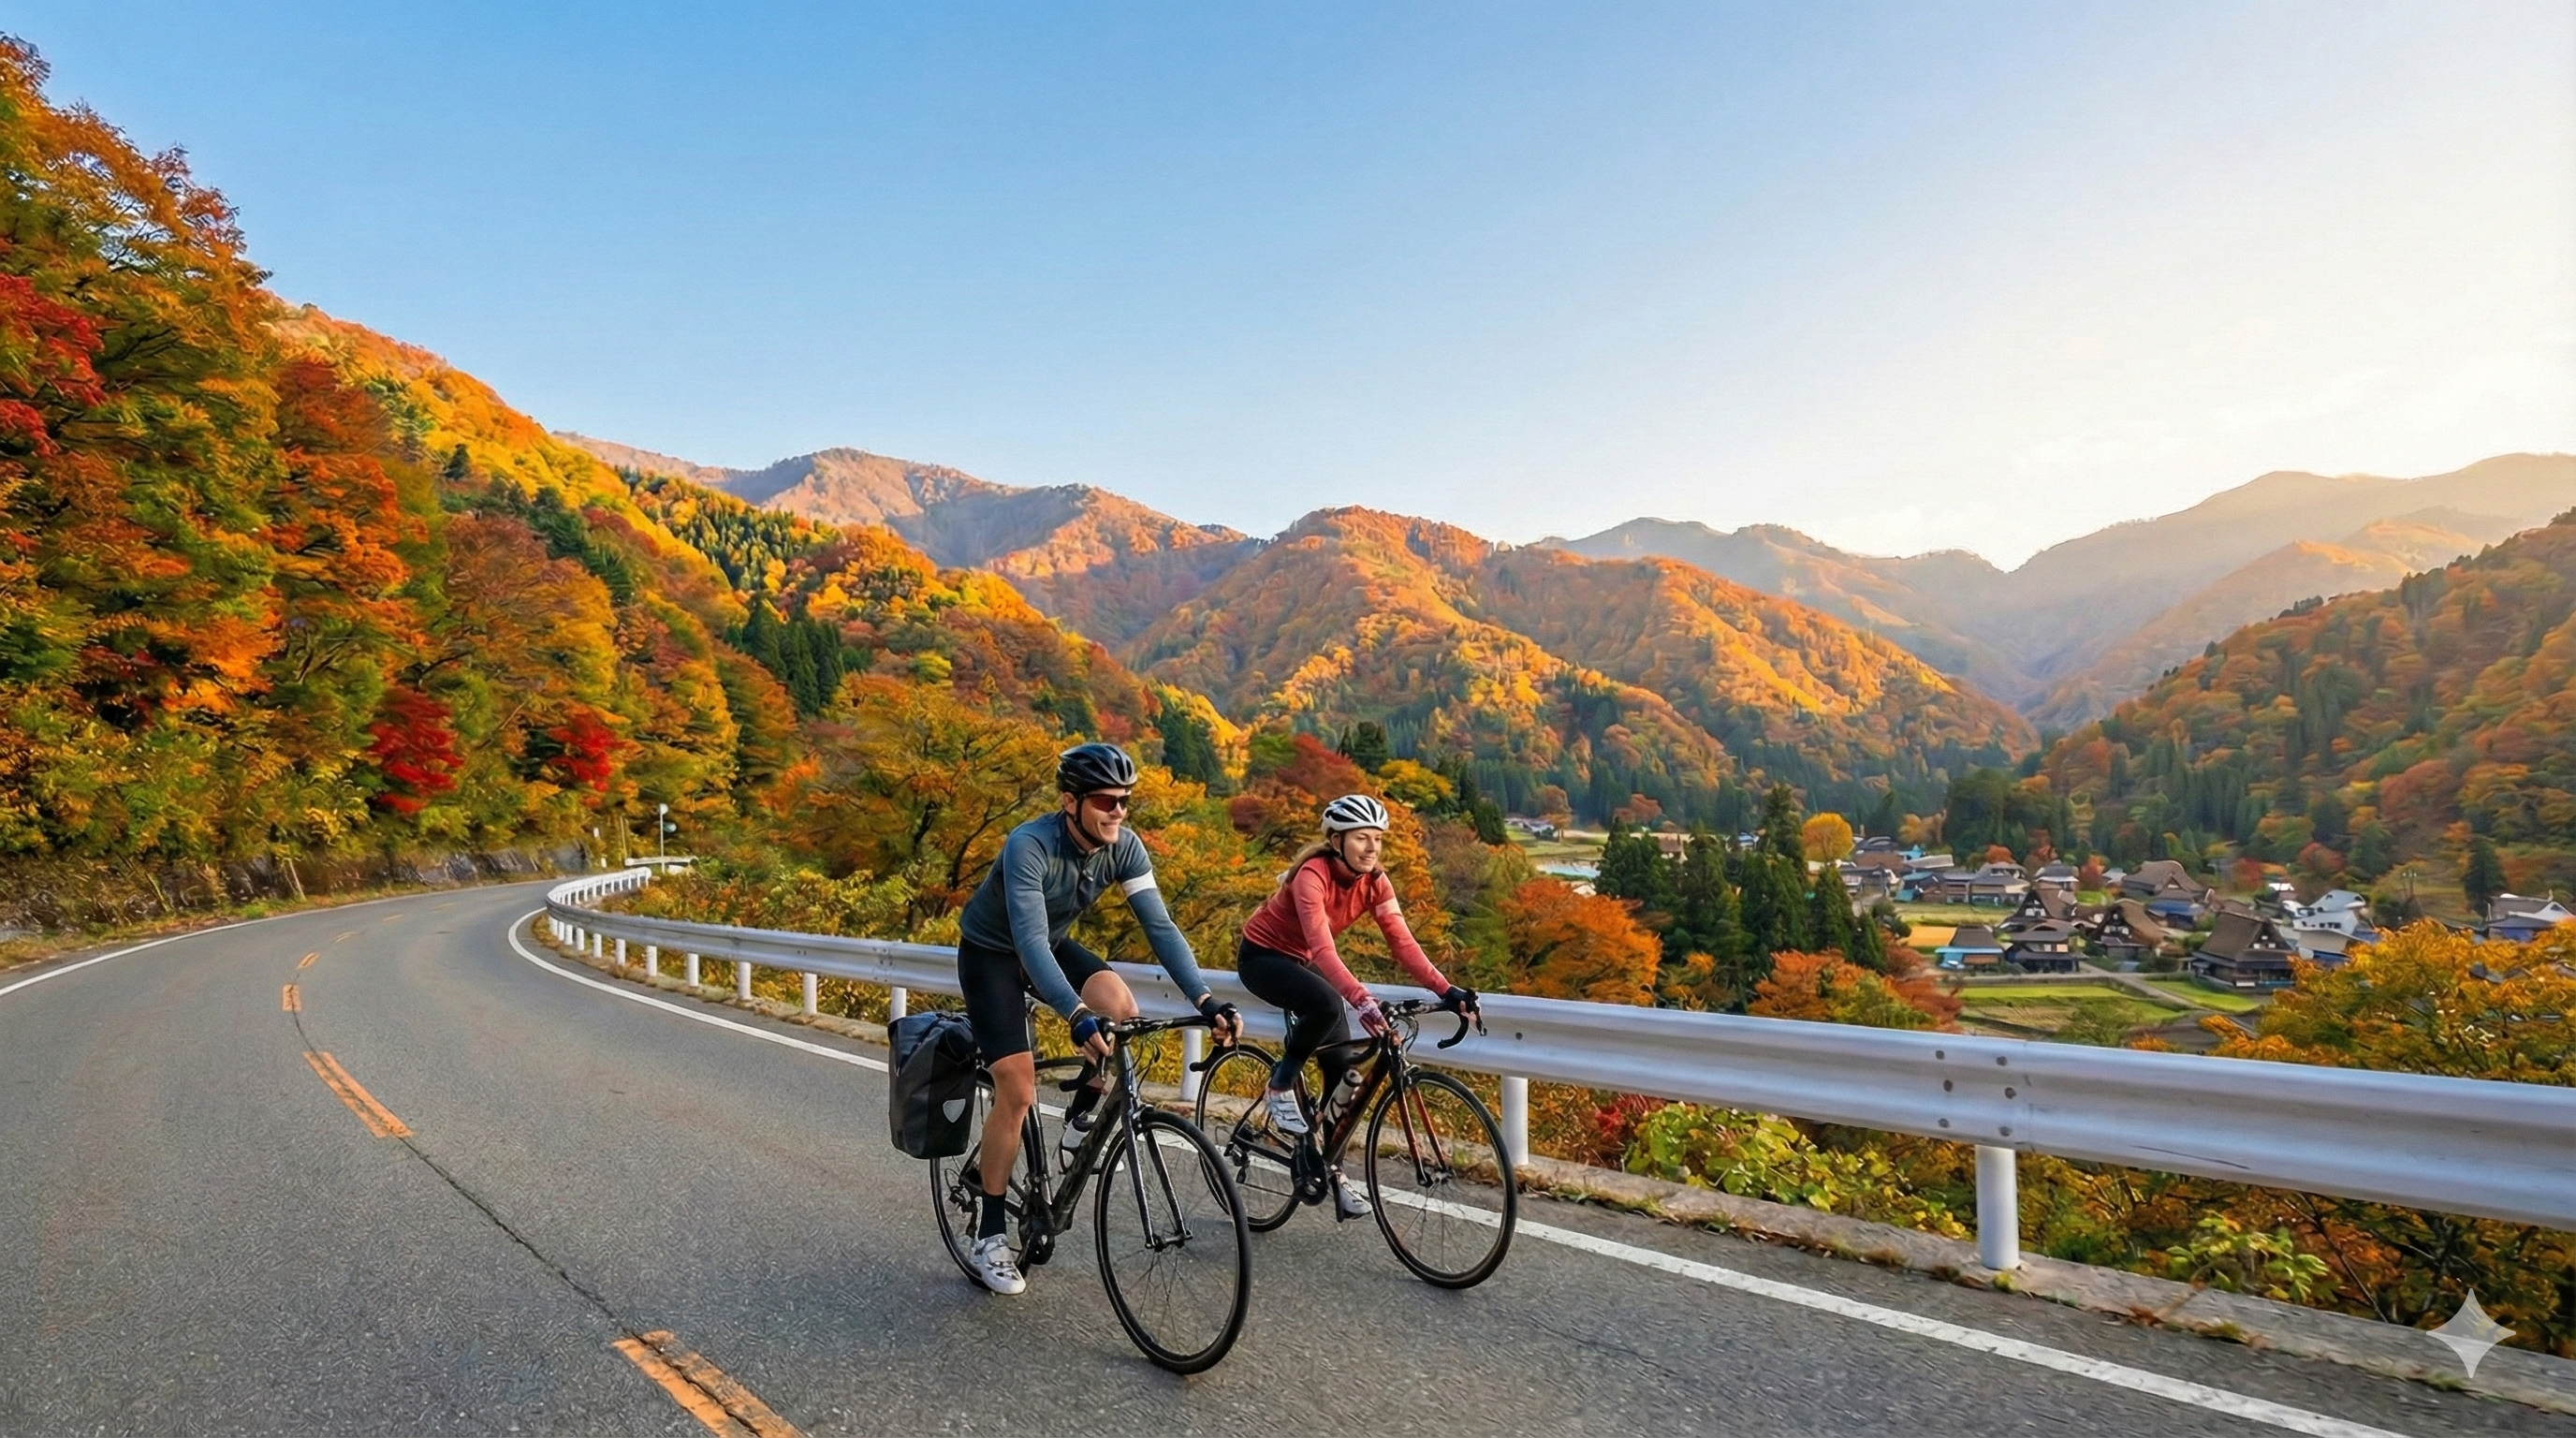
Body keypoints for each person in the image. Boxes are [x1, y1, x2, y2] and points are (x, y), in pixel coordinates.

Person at [950, 741, 1241, 1296]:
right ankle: (988, 1234)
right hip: (993, 954)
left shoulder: (1124, 847)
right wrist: (1074, 1014)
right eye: (1106, 800)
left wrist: (1205, 1001)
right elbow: (1029, 942)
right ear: (1070, 801)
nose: (1118, 811)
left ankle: (1082, 1117)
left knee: (1121, 1007)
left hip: (1050, 946)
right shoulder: (1029, 845)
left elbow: (1160, 927)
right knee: (1017, 1088)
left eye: (1125, 801)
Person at [1235, 793, 1478, 1220]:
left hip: (1307, 962)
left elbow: (1403, 943)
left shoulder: (1376, 882)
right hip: (1264, 957)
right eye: (1361, 839)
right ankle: (1279, 1085)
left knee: (1341, 1072)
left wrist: (1447, 990)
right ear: (1335, 840)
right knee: (1329, 1004)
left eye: (1378, 840)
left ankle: (1332, 1169)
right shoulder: (1312, 875)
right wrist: (1361, 998)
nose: (1371, 848)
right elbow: (1322, 948)